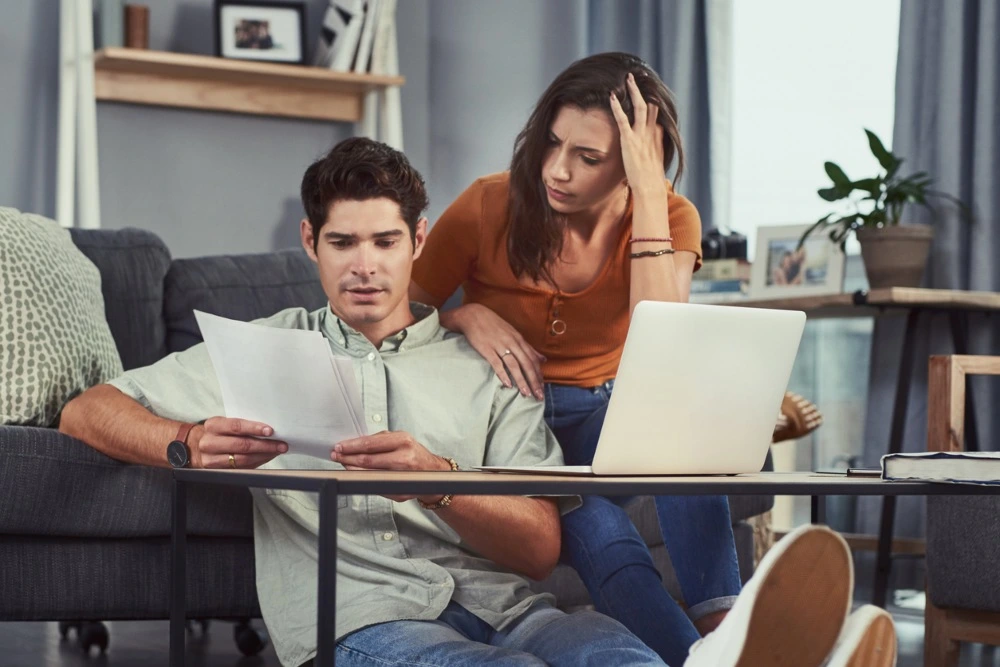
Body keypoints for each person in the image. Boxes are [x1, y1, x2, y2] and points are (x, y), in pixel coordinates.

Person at [57, 137, 892, 667]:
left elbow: (538, 547)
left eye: (386, 242)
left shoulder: (490, 368)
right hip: (367, 622)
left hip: (514, 605)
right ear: (310, 243)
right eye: (342, 242)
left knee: (622, 660)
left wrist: (441, 481)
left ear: (419, 241)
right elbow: (85, 409)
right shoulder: (265, 348)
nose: (365, 266)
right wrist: (184, 441)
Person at [409, 51, 753, 665]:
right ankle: (707, 661)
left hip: (606, 417)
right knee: (602, 530)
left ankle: (727, 630)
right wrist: (460, 314)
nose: (557, 171)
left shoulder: (672, 215)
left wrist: (650, 194)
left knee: (686, 443)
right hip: (512, 426)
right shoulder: (488, 204)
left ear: (633, 164)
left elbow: (663, 345)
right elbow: (393, 313)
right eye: (553, 144)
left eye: (588, 157)